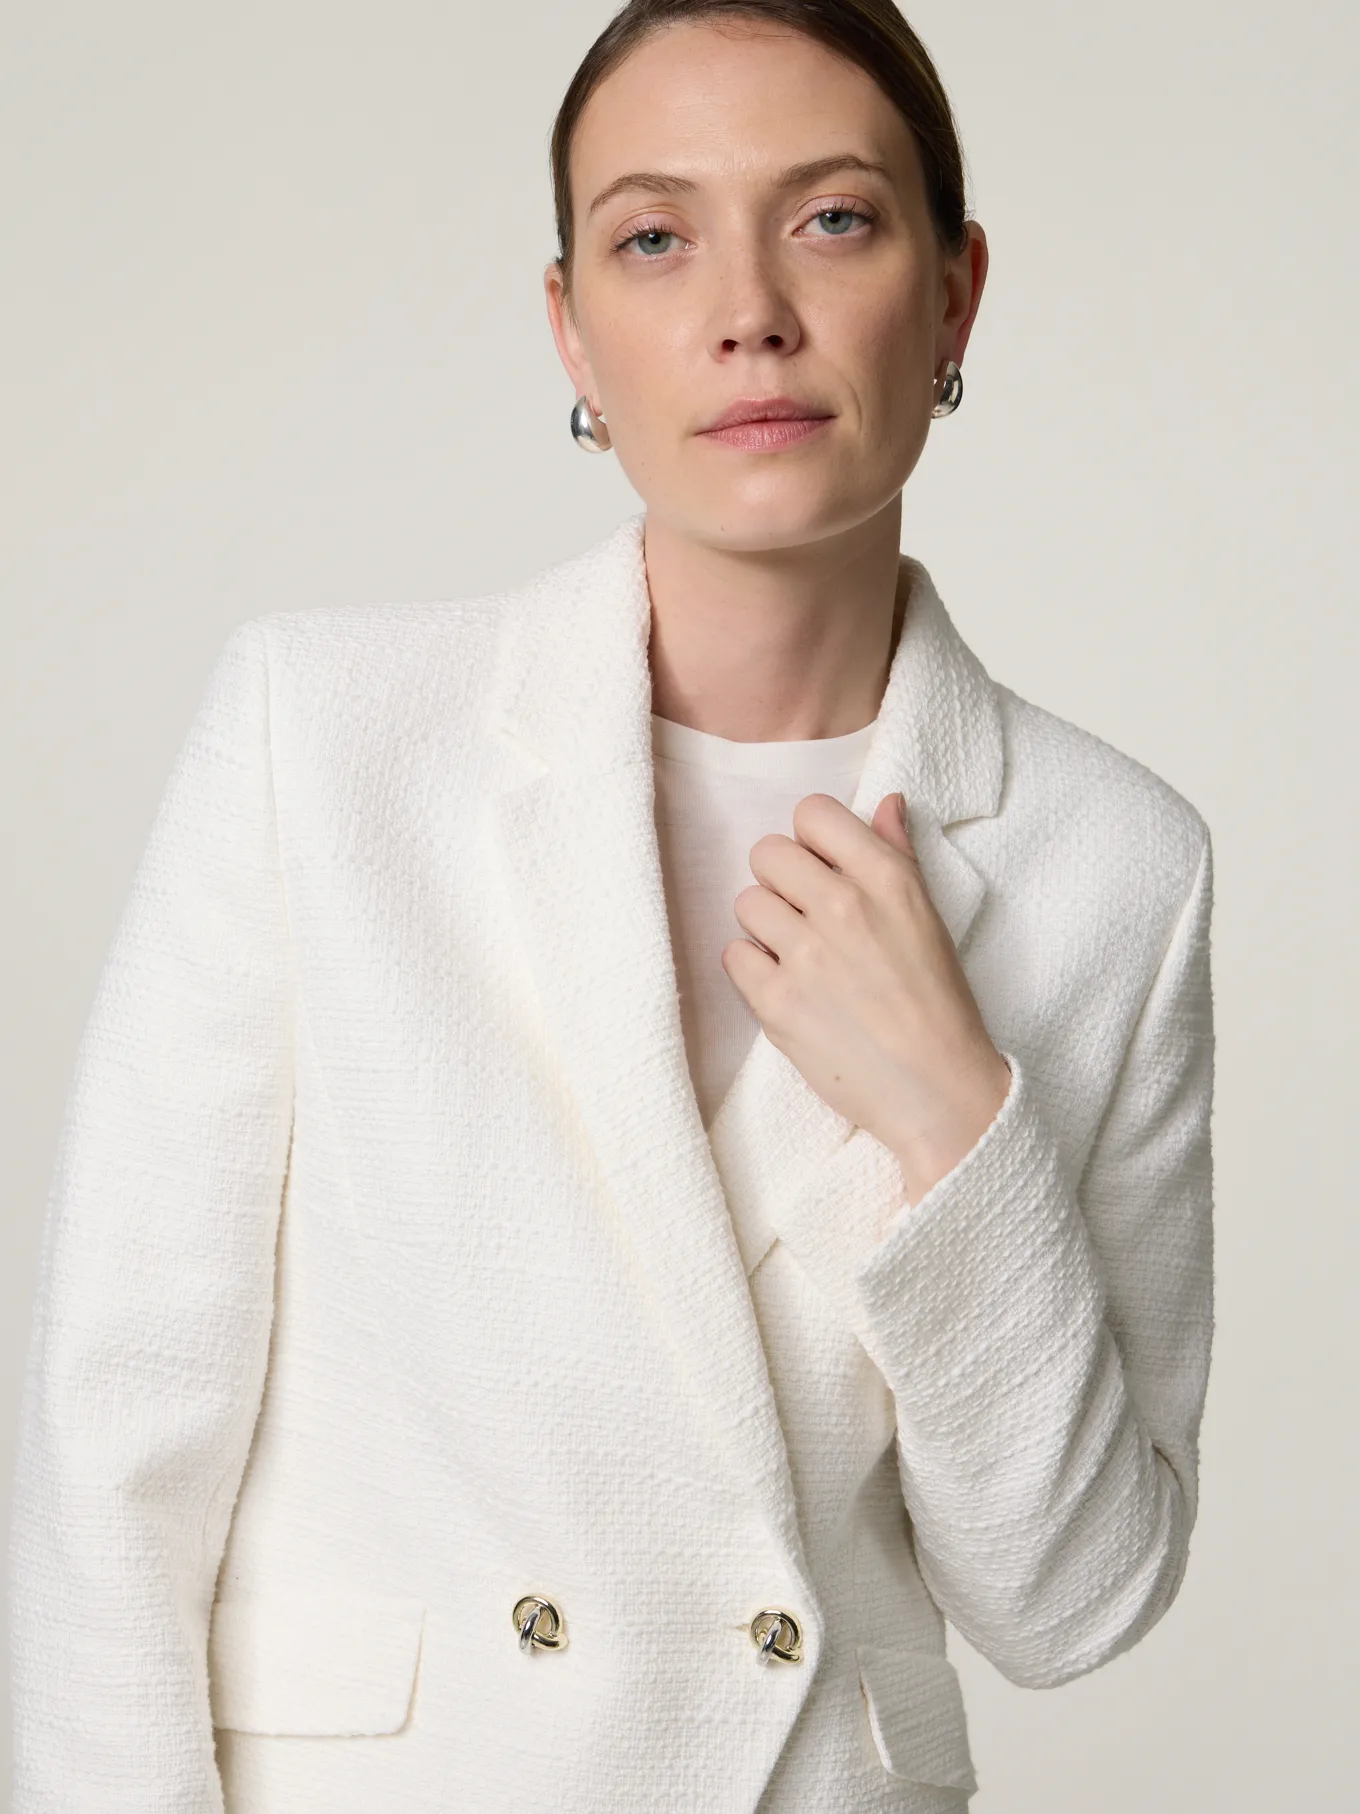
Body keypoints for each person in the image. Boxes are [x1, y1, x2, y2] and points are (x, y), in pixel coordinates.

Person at [8, 2, 1216, 1809]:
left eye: (833, 219)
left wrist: (956, 1124)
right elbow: (120, 1435)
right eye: (656, 237)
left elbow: (1070, 1603)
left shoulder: (1114, 861)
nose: (750, 310)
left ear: (955, 296)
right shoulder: (322, 739)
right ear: (571, 327)